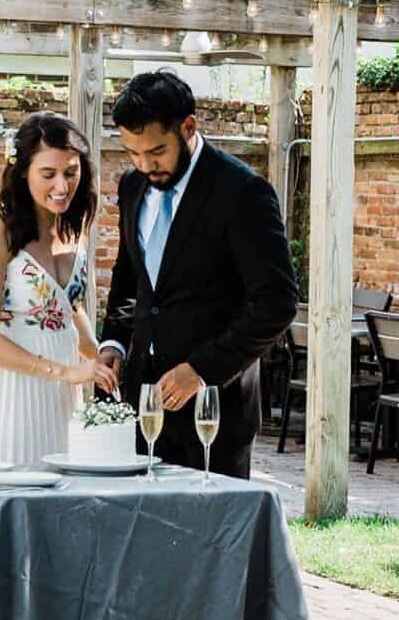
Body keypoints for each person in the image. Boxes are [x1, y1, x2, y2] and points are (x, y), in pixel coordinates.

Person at [99, 70, 298, 478]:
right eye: (133, 153)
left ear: (188, 127)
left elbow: (276, 302)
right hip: (142, 401)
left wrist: (202, 370)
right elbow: (129, 276)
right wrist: (115, 343)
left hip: (214, 409)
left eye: (156, 151)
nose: (144, 165)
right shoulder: (132, 187)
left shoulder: (242, 192)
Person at [0, 111, 118, 464]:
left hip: (59, 392)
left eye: (71, 173)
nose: (62, 186)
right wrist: (67, 371)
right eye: (48, 174)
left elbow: (67, 305)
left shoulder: (75, 228)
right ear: (22, 171)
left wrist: (96, 354)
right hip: (5, 387)